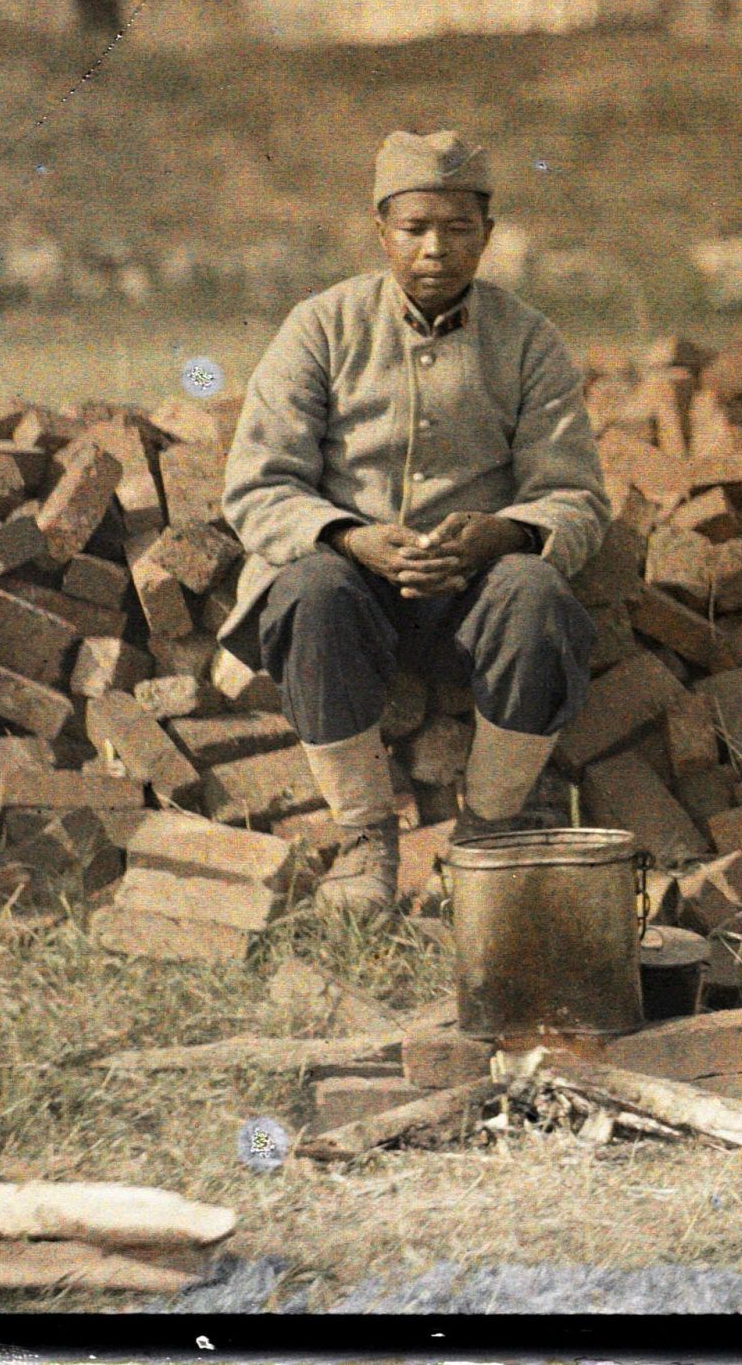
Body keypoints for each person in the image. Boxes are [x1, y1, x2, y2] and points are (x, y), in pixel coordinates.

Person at [219, 130, 610, 917]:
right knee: (309, 589)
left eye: (460, 229)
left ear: (488, 236)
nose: (437, 248)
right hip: (356, 598)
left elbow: (575, 496)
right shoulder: (321, 327)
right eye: (416, 228)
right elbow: (258, 485)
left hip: (471, 602)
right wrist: (350, 536)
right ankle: (365, 839)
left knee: (535, 594)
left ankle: (487, 837)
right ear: (381, 232)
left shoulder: (528, 340)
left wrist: (501, 534)